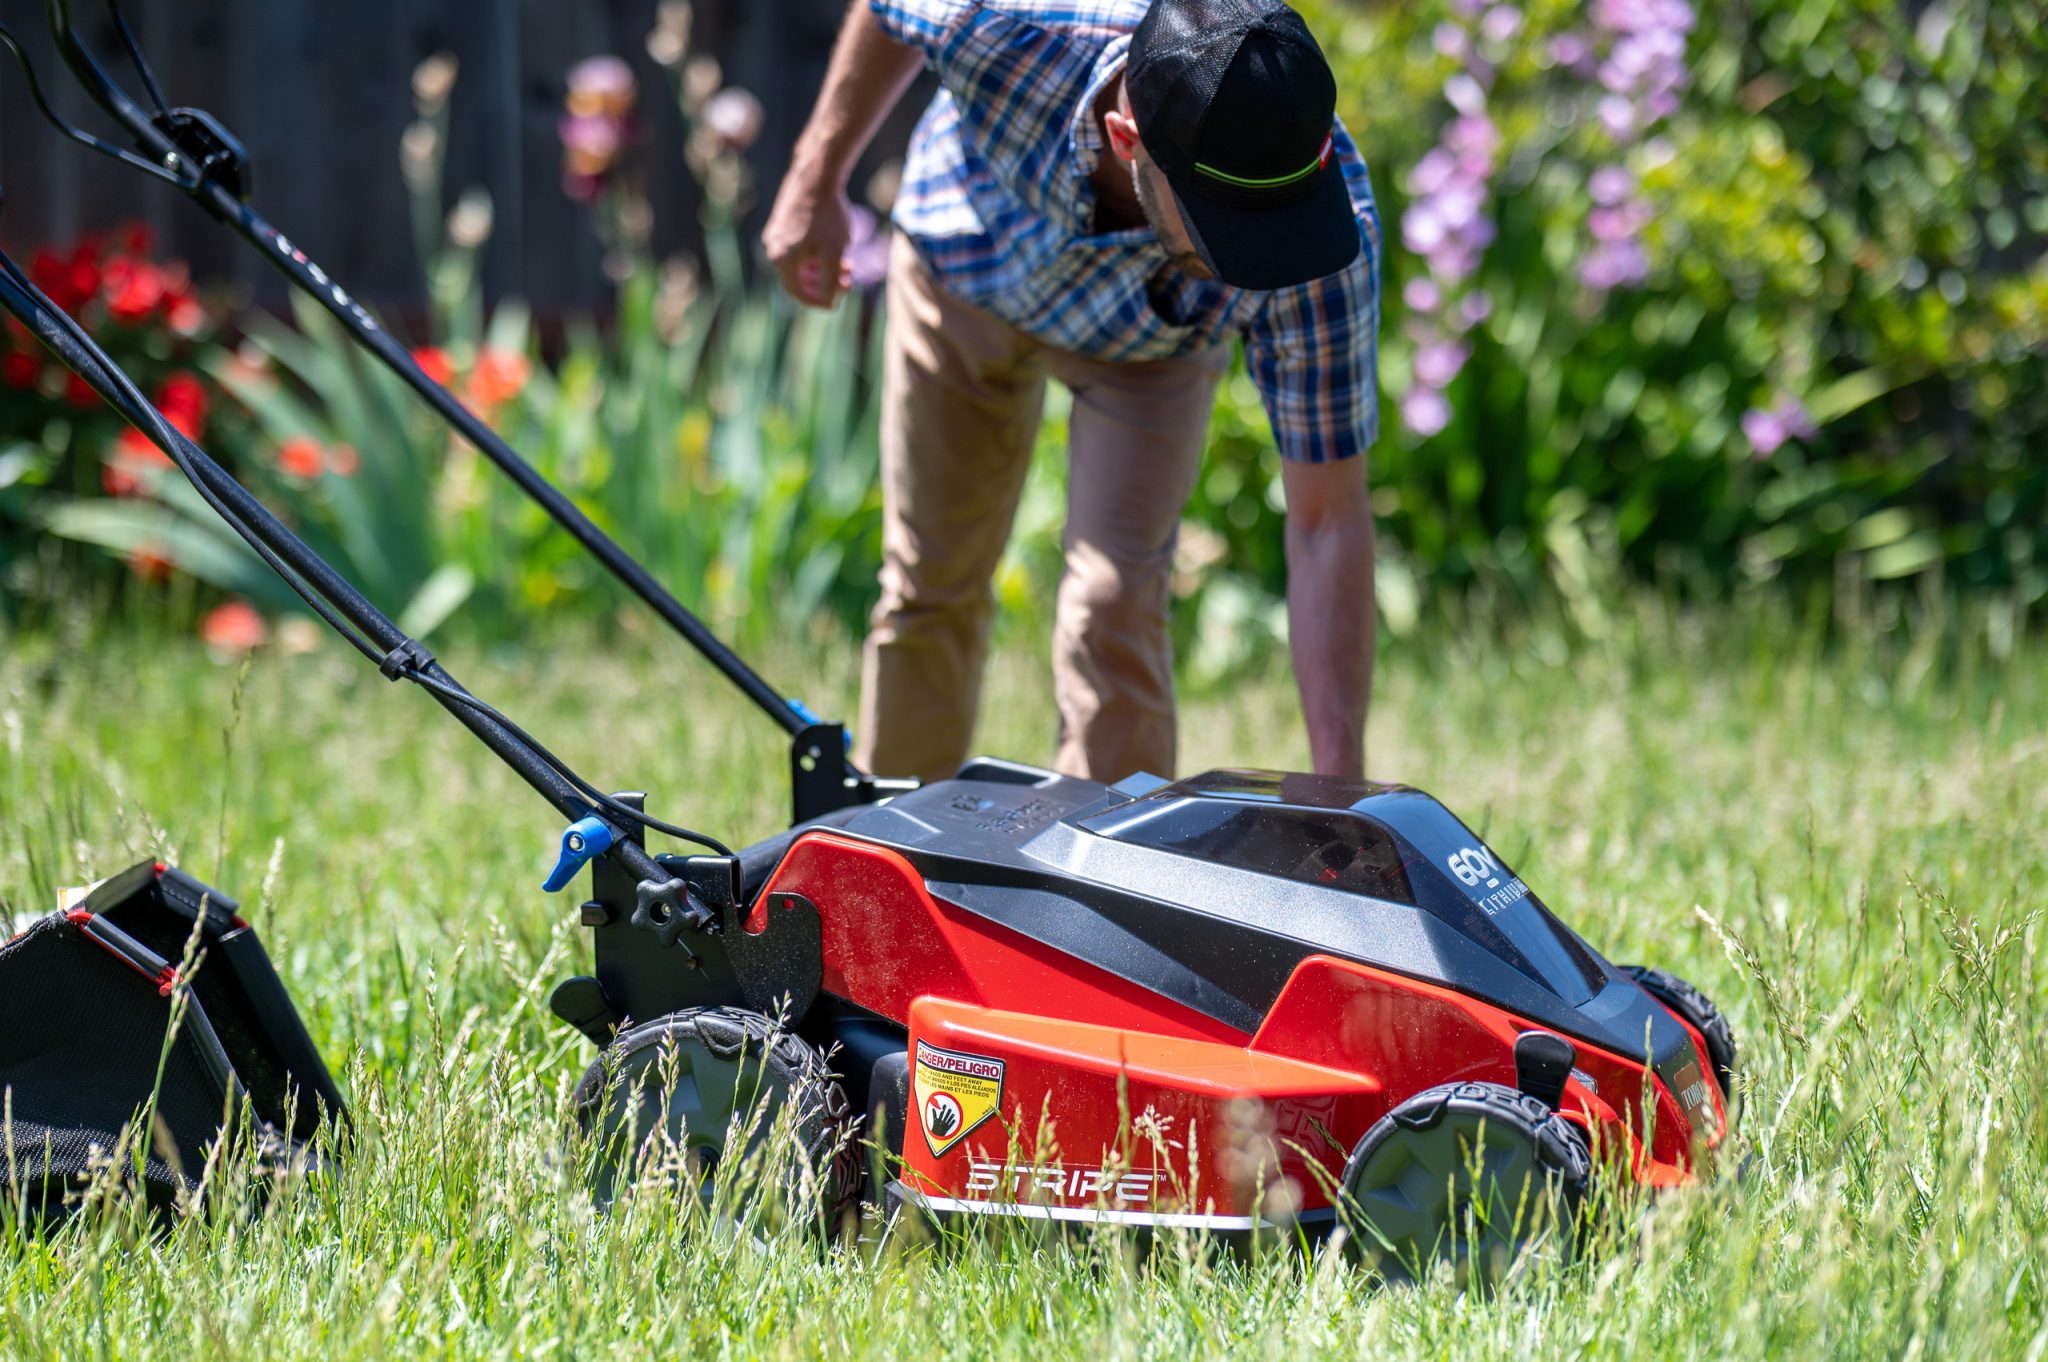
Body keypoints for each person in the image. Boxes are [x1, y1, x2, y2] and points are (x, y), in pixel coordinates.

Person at [763, 0, 1381, 785]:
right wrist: (815, 181)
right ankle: (891, 868)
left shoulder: (1324, 232)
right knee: (929, 587)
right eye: (1227, 231)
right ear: (1129, 142)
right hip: (968, 267)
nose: (1260, 259)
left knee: (1115, 602)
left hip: (1149, 342)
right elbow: (887, 10)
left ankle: (1102, 884)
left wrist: (1342, 795)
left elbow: (1327, 520)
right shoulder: (1006, 23)